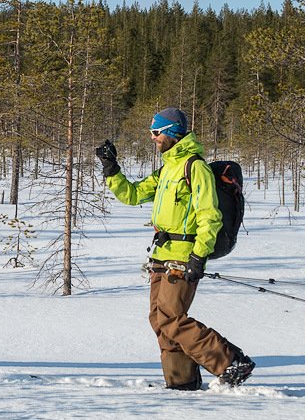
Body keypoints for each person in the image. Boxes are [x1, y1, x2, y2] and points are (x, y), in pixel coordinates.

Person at [95, 108, 254, 390]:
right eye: (152, 133)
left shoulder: (195, 168)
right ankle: (182, 382)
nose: (153, 138)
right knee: (159, 319)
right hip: (161, 253)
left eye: (156, 132)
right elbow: (132, 195)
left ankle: (230, 362)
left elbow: (210, 216)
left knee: (172, 319)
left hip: (183, 255)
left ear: (171, 132)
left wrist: (198, 256)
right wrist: (111, 168)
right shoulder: (168, 169)